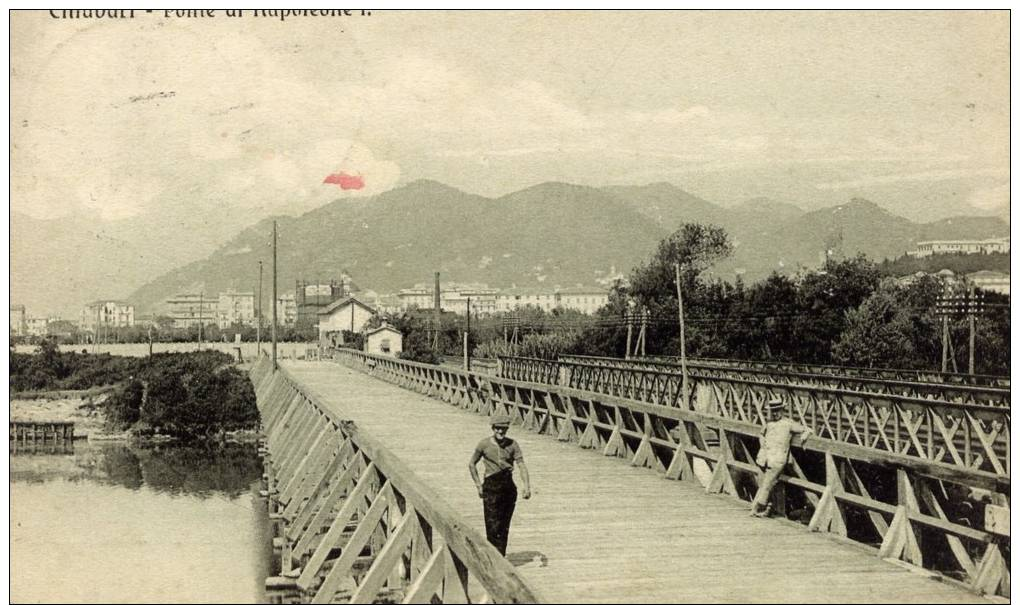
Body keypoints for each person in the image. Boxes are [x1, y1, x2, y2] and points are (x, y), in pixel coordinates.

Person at [468, 415, 531, 555]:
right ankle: (493, 558)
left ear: (507, 429)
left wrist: (526, 486)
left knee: (504, 525)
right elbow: (472, 464)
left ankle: (501, 557)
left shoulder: (513, 444)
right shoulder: (484, 444)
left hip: (508, 485)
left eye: (503, 429)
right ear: (493, 429)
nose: (501, 432)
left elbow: (521, 465)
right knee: (492, 525)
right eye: (497, 429)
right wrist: (478, 485)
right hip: (491, 485)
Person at [750, 399, 812, 517]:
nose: (775, 413)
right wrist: (762, 444)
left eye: (777, 411)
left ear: (782, 411)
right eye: (773, 411)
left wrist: (805, 436)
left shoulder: (788, 424)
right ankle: (767, 509)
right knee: (762, 482)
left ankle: (757, 507)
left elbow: (806, 429)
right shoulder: (768, 423)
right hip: (764, 458)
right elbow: (761, 434)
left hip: (777, 459)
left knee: (767, 484)